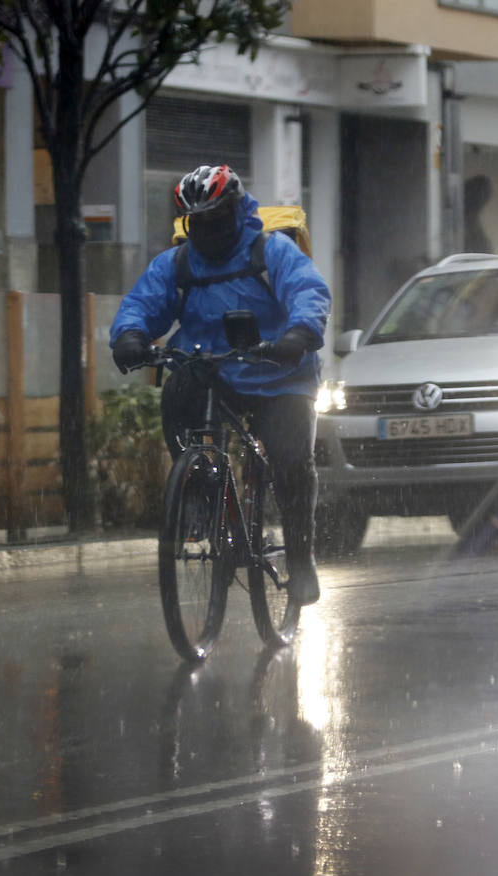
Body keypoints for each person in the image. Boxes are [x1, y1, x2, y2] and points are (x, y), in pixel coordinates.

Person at [108, 165, 331, 605]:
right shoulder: (177, 263)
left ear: (235, 211)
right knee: (177, 392)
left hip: (280, 372)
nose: (206, 230)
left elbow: (309, 290)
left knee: (291, 461)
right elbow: (142, 302)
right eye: (197, 222)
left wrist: (297, 336)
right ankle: (199, 494)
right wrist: (130, 336)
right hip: (213, 370)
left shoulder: (273, 252)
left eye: (215, 218)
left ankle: (301, 558)